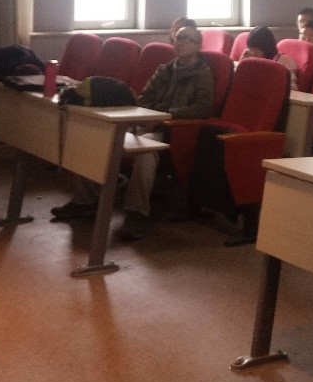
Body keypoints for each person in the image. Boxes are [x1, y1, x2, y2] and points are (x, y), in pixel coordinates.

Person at [53, 26, 215, 240]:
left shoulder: (202, 74)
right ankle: (86, 200)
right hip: (144, 121)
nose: (181, 42)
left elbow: (202, 108)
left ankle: (137, 213)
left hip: (171, 129)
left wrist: (163, 116)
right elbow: (144, 97)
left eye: (187, 39)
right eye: (178, 38)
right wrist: (145, 115)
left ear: (198, 45)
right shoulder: (164, 70)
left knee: (145, 152)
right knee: (93, 137)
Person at [242, 25, 297, 89]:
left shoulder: (283, 62)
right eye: (251, 49)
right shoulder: (253, 58)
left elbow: (293, 89)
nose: (252, 53)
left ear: (266, 48)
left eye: (255, 50)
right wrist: (243, 63)